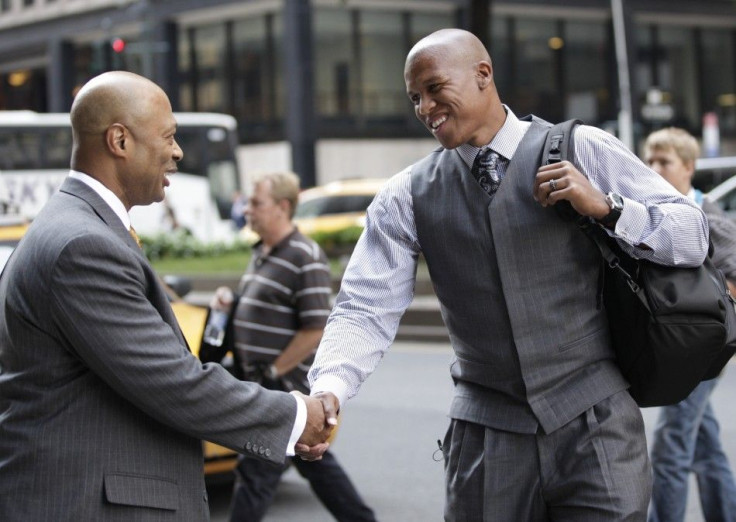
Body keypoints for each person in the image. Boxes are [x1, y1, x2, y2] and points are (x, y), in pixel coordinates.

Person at [308, 28, 710, 521]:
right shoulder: (406, 195)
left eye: (435, 88)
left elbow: (693, 235)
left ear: (483, 75)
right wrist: (329, 387)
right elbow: (365, 306)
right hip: (485, 439)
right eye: (415, 97)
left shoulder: (582, 147)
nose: (424, 108)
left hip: (596, 425)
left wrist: (607, 207)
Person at [0, 71, 333, 521]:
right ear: (120, 141)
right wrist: (295, 416)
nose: (177, 151)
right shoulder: (83, 244)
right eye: (169, 136)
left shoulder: (76, 227)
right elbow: (172, 382)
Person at [202, 171, 376, 522]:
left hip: (285, 386)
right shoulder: (264, 252)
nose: (247, 210)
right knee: (317, 467)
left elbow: (315, 328)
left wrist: (274, 371)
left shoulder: (304, 255)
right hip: (263, 382)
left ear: (282, 207)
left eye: (255, 203)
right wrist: (231, 303)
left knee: (256, 473)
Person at [643, 127, 736, 522]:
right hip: (677, 346)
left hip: (701, 350)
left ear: (689, 167)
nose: (653, 168)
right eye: (649, 160)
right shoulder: (657, 211)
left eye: (664, 162)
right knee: (704, 443)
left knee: (670, 444)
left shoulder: (708, 217)